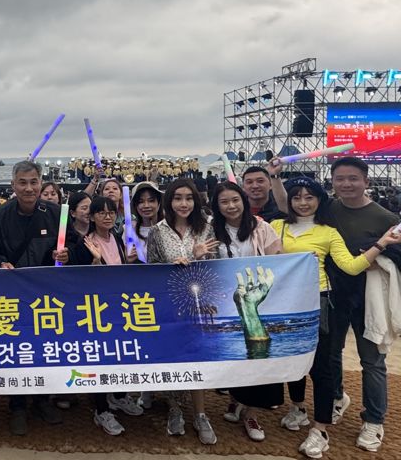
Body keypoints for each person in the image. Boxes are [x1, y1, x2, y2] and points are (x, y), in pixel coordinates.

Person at [269, 176, 401, 458]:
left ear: (320, 200)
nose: (303, 203)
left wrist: (380, 245)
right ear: (289, 200)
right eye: (297, 197)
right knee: (293, 360)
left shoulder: (328, 232)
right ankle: (299, 408)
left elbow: (351, 267)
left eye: (309, 197)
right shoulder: (275, 226)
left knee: (322, 367)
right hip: (284, 304)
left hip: (317, 303)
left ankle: (320, 429)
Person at [0, 160, 65, 435]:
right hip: (12, 296)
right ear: (13, 184)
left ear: (41, 183)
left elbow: (75, 245)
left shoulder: (55, 213)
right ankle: (16, 406)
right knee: (17, 351)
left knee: (44, 349)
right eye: (23, 183)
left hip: (47, 297)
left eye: (34, 182)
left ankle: (43, 399)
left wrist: (68, 255)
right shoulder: (0, 216)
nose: (29, 188)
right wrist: (0, 262)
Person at [325, 157, 399, 452]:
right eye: (340, 178)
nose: (346, 184)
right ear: (332, 182)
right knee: (331, 354)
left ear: (366, 181)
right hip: (334, 294)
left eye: (353, 178)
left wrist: (377, 257)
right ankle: (337, 398)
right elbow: (290, 210)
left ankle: (374, 419)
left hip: (369, 298)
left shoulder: (384, 217)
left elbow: (398, 255)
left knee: (372, 360)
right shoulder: (328, 210)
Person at [146, 178, 218, 445]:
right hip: (168, 304)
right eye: (178, 198)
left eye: (189, 198)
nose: (183, 203)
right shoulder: (157, 231)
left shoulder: (207, 228)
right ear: (169, 201)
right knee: (173, 357)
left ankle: (200, 414)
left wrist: (198, 255)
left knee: (197, 357)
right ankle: (175, 408)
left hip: (200, 304)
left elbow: (217, 266)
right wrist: (169, 265)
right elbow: (151, 267)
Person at [209, 182, 283, 441]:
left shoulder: (262, 228)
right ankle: (235, 399)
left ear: (243, 200)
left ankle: (251, 413)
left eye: (235, 200)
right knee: (233, 356)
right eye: (224, 202)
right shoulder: (211, 230)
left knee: (258, 358)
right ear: (217, 206)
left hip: (259, 303)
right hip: (224, 305)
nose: (231, 206)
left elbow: (280, 261)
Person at [72, 196, 143, 435]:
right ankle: (100, 409)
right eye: (101, 213)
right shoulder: (85, 243)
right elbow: (80, 280)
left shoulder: (118, 240)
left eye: (111, 212)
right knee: (98, 359)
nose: (107, 216)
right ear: (91, 217)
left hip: (117, 308)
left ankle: (119, 395)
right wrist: (94, 260)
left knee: (119, 355)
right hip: (95, 311)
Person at [131, 181, 163, 261]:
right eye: (141, 202)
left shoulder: (169, 228)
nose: (146, 206)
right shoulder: (129, 230)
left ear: (158, 203)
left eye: (151, 200)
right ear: (136, 206)